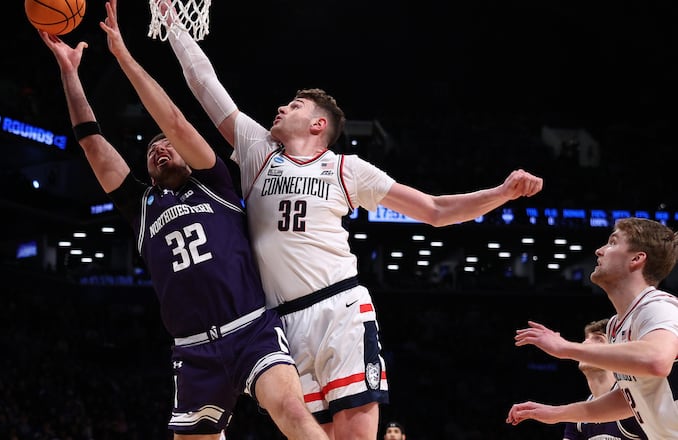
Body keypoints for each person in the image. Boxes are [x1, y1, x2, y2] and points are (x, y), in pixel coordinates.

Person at [154, 5, 544, 439]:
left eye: (295, 104)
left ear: (319, 123)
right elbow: (205, 84)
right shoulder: (257, 149)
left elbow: (434, 211)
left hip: (339, 307)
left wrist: (501, 193)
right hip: (281, 323)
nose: (281, 107)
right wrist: (173, 24)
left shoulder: (347, 168)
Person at [38, 2, 329, 439]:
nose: (160, 149)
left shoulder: (213, 179)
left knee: (290, 408)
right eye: (151, 150)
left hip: (249, 328)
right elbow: (92, 144)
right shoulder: (142, 205)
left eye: (167, 145)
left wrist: (123, 56)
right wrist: (69, 72)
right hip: (192, 350)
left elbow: (172, 120)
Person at [507, 217, 678, 439]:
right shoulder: (618, 324)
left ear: (636, 259)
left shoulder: (657, 306)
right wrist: (555, 414)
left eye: (613, 242)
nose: (599, 250)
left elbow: (656, 361)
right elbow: (630, 400)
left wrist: (566, 348)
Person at [562, 319, 646, 440]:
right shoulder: (578, 419)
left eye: (598, 339)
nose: (585, 343)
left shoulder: (633, 405)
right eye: (586, 339)